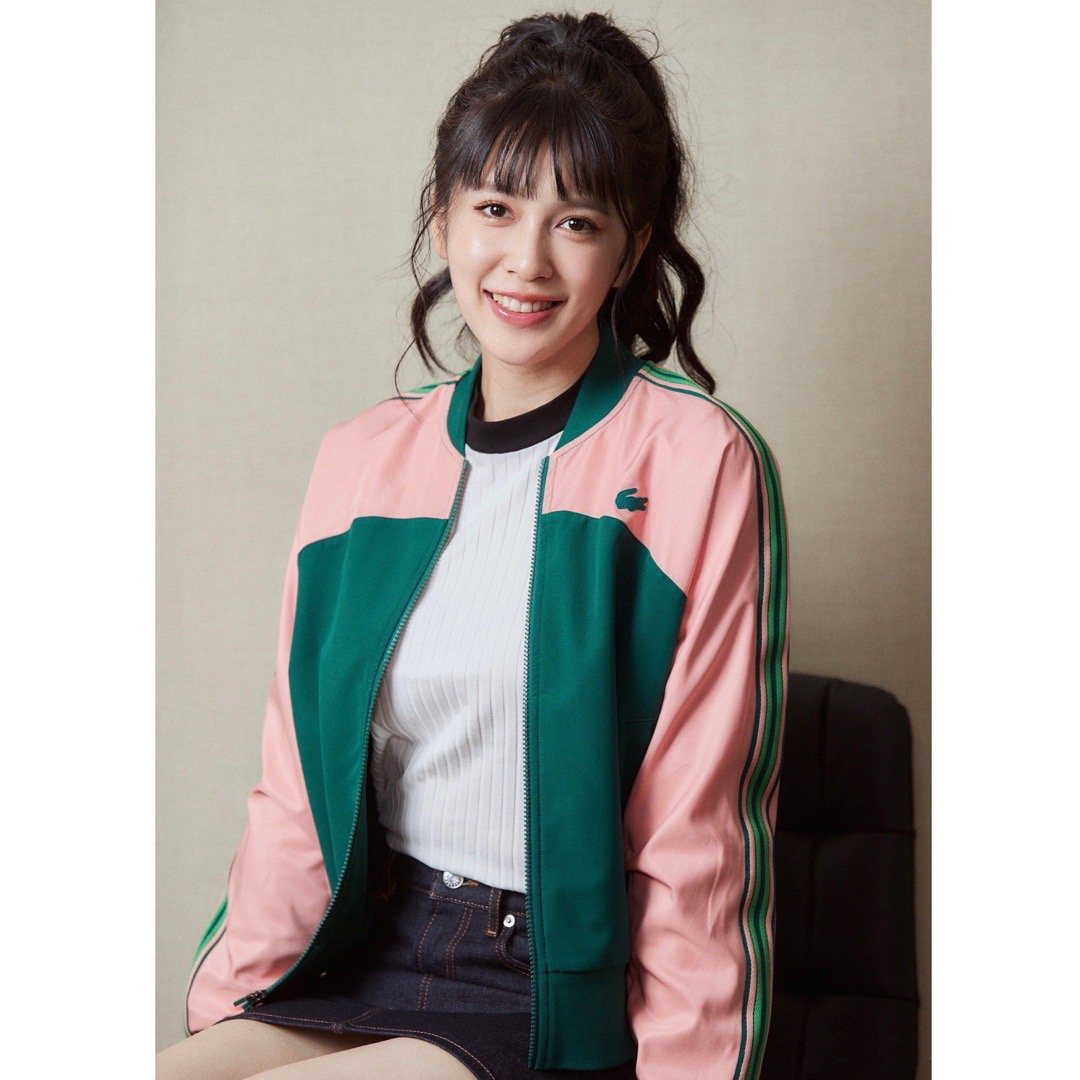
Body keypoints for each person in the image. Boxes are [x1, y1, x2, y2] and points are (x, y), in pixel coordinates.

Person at [157, 10, 790, 1080]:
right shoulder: (363, 459)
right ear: (443, 219)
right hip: (367, 948)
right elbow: (298, 785)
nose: (526, 261)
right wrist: (225, 1018)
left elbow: (701, 829)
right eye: (495, 208)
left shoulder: (698, 461)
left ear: (630, 250)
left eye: (576, 221)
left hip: (543, 985)